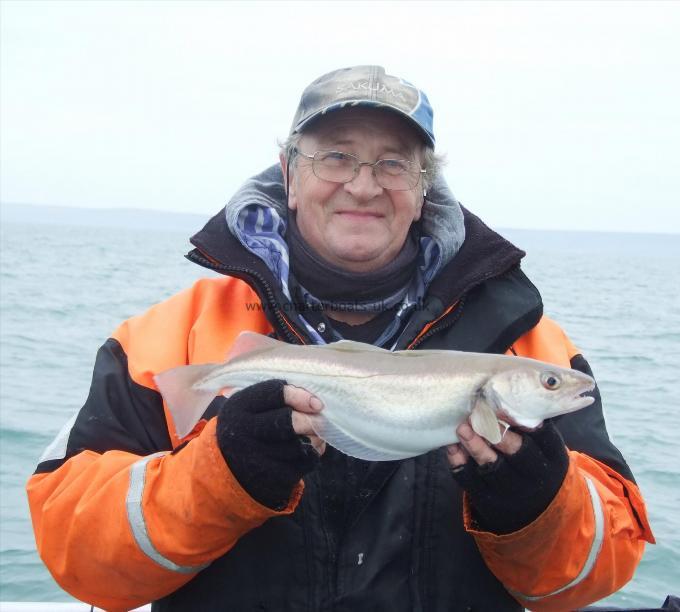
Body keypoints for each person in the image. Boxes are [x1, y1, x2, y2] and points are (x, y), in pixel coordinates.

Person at [27, 66, 654, 611]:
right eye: (336, 156)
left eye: (393, 163)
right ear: (290, 173)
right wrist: (219, 476)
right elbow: (75, 556)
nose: (363, 184)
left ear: (423, 186)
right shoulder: (163, 338)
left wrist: (539, 506)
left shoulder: (528, 339)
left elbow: (597, 575)